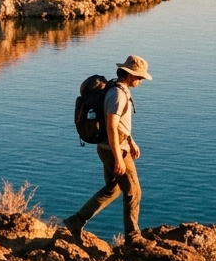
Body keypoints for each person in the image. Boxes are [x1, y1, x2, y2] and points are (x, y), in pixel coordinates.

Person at [64, 55, 152, 243]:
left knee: (113, 189)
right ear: (129, 75)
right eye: (139, 77)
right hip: (115, 150)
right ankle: (133, 237)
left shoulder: (116, 88)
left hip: (110, 147)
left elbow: (121, 125)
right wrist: (119, 157)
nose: (141, 80)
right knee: (133, 192)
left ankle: (76, 221)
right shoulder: (118, 94)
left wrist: (131, 141)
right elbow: (111, 126)